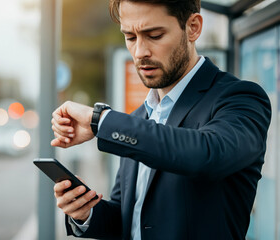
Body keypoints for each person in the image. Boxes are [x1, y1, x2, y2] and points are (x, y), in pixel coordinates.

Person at [51, 0, 271, 239]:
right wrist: (85, 212)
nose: (139, 52)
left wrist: (100, 121)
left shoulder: (241, 98)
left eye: (154, 35)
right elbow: (129, 220)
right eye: (131, 37)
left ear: (193, 27)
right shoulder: (138, 119)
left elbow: (207, 154)